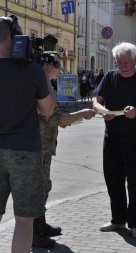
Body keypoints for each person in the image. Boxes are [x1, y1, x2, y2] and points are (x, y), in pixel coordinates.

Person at [0, 15, 56, 253]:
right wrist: (44, 75)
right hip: (26, 152)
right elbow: (48, 110)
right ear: (15, 37)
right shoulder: (31, 71)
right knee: (24, 220)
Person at [93, 42, 136, 239]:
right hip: (112, 139)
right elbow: (97, 100)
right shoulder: (110, 77)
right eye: (119, 62)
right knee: (113, 181)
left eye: (126, 62)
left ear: (135, 60)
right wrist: (102, 110)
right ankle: (118, 220)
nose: (123, 66)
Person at [33, 57, 97, 248]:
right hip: (39, 145)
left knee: (45, 185)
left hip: (45, 143)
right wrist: (82, 114)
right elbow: (57, 118)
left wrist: (70, 120)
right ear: (48, 66)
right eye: (59, 65)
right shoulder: (41, 85)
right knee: (39, 188)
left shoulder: (46, 84)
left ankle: (40, 224)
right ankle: (34, 232)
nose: (61, 70)